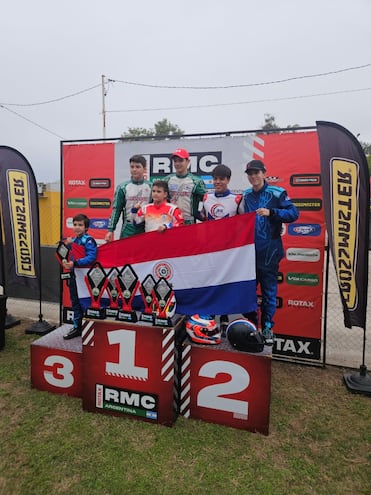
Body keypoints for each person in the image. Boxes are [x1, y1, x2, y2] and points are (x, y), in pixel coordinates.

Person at [241, 159, 299, 345]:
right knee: (247, 291)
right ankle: (251, 325)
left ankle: (267, 327)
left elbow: (294, 214)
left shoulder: (277, 192)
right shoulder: (246, 195)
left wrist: (272, 213)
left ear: (264, 173)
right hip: (250, 253)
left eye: (256, 172)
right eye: (250, 173)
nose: (253, 176)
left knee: (268, 292)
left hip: (270, 252)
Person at [200, 164, 242, 335]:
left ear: (228, 180)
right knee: (211, 280)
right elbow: (202, 219)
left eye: (221, 179)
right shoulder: (205, 198)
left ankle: (224, 317)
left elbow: (243, 222)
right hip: (210, 248)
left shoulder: (237, 199)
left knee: (224, 282)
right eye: (215, 179)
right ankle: (210, 314)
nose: (218, 182)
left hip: (228, 250)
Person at [62, 214, 97, 340]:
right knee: (75, 302)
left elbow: (92, 257)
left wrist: (76, 263)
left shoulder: (88, 240)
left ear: (86, 227)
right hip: (73, 276)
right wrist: (67, 262)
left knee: (86, 302)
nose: (77, 227)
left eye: (80, 225)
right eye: (75, 224)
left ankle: (90, 327)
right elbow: (70, 256)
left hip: (85, 279)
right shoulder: (73, 241)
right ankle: (77, 327)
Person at [105, 154, 151, 241]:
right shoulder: (122, 187)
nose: (134, 169)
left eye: (138, 167)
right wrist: (110, 230)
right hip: (128, 228)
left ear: (144, 169)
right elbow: (116, 210)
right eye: (132, 167)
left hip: (146, 227)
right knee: (125, 253)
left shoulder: (151, 187)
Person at [164, 148, 206, 224]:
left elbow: (206, 200)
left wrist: (201, 213)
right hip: (171, 222)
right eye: (175, 161)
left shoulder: (196, 181)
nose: (177, 163)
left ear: (188, 162)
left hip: (189, 222)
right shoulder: (167, 180)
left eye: (180, 160)